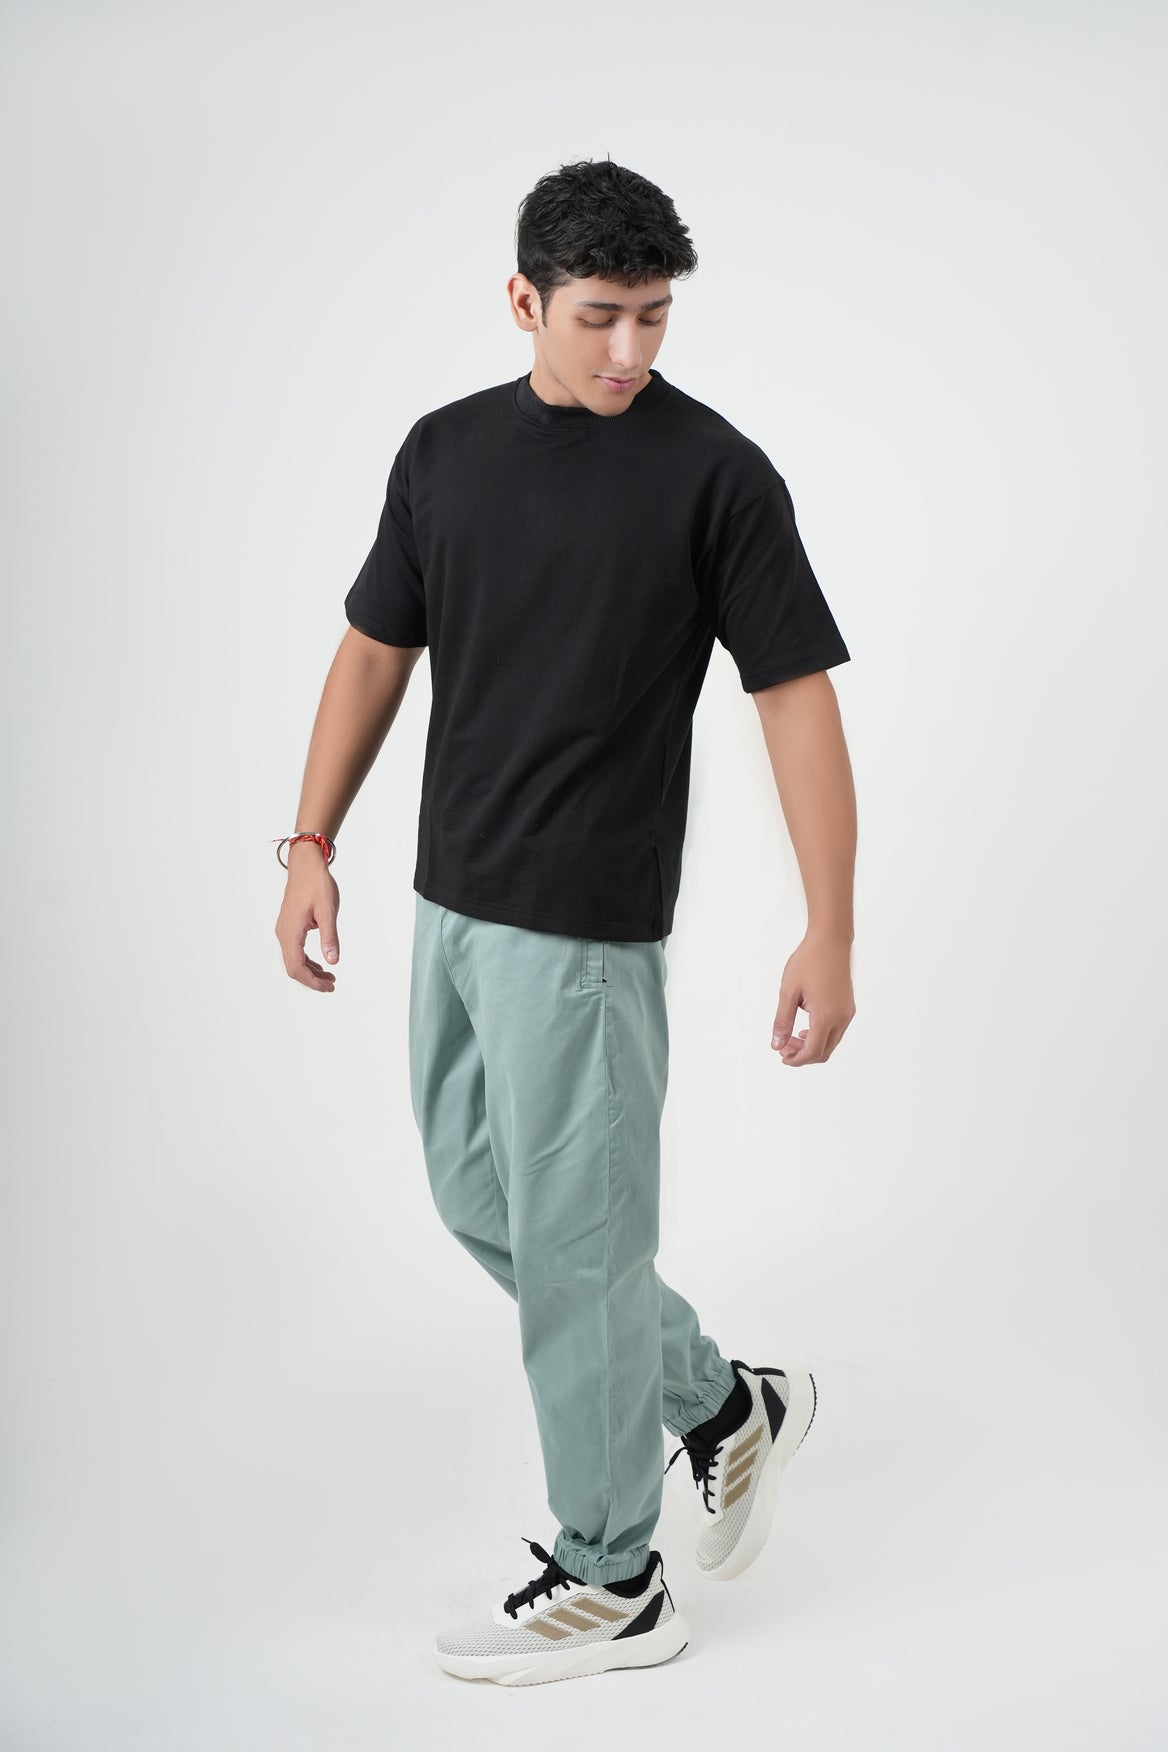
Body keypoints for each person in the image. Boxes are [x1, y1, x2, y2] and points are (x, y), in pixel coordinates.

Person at [273, 156, 857, 1687]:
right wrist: (311, 840)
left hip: (587, 930)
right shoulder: (445, 452)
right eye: (600, 315)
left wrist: (831, 929)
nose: (629, 349)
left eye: (655, 317)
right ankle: (723, 1406)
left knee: (579, 1248)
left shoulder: (714, 476)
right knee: (491, 1204)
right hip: (453, 901)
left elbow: (795, 700)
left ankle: (614, 1577)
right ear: (523, 301)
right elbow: (373, 650)